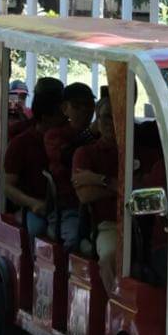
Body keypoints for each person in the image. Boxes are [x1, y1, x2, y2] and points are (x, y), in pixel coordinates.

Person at [4, 77, 66, 240]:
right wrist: (32, 203)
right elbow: (7, 186)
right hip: (33, 208)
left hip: (64, 207)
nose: (66, 118)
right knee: (37, 228)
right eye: (61, 114)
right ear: (46, 116)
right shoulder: (21, 142)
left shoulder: (72, 137)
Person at [72, 98, 121, 291]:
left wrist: (99, 179)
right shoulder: (85, 153)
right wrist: (116, 185)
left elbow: (140, 188)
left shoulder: (140, 149)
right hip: (108, 225)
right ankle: (115, 306)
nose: (111, 123)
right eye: (105, 117)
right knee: (110, 255)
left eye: (117, 116)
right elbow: (85, 195)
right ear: (97, 121)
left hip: (145, 225)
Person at [42, 83, 96, 251]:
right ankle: (65, 275)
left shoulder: (102, 136)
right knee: (73, 240)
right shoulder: (54, 135)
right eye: (77, 106)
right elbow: (67, 157)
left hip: (98, 205)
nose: (84, 110)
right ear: (65, 108)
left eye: (89, 105)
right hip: (67, 208)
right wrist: (91, 133)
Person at [0, 79, 30, 154]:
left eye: (23, 97)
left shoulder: (31, 114)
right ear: (8, 97)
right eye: (16, 96)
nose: (20, 100)